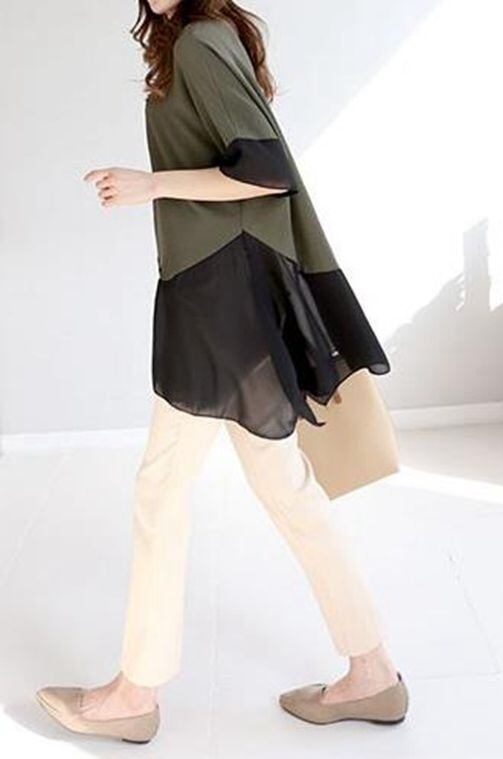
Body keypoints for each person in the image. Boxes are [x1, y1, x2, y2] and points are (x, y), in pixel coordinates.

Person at [35, 0, 408, 744]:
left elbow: (266, 172)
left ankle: (135, 692)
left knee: (163, 485)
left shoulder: (202, 42)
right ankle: (372, 672)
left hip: (219, 289)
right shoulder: (207, 38)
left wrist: (151, 184)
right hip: (228, 283)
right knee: (282, 486)